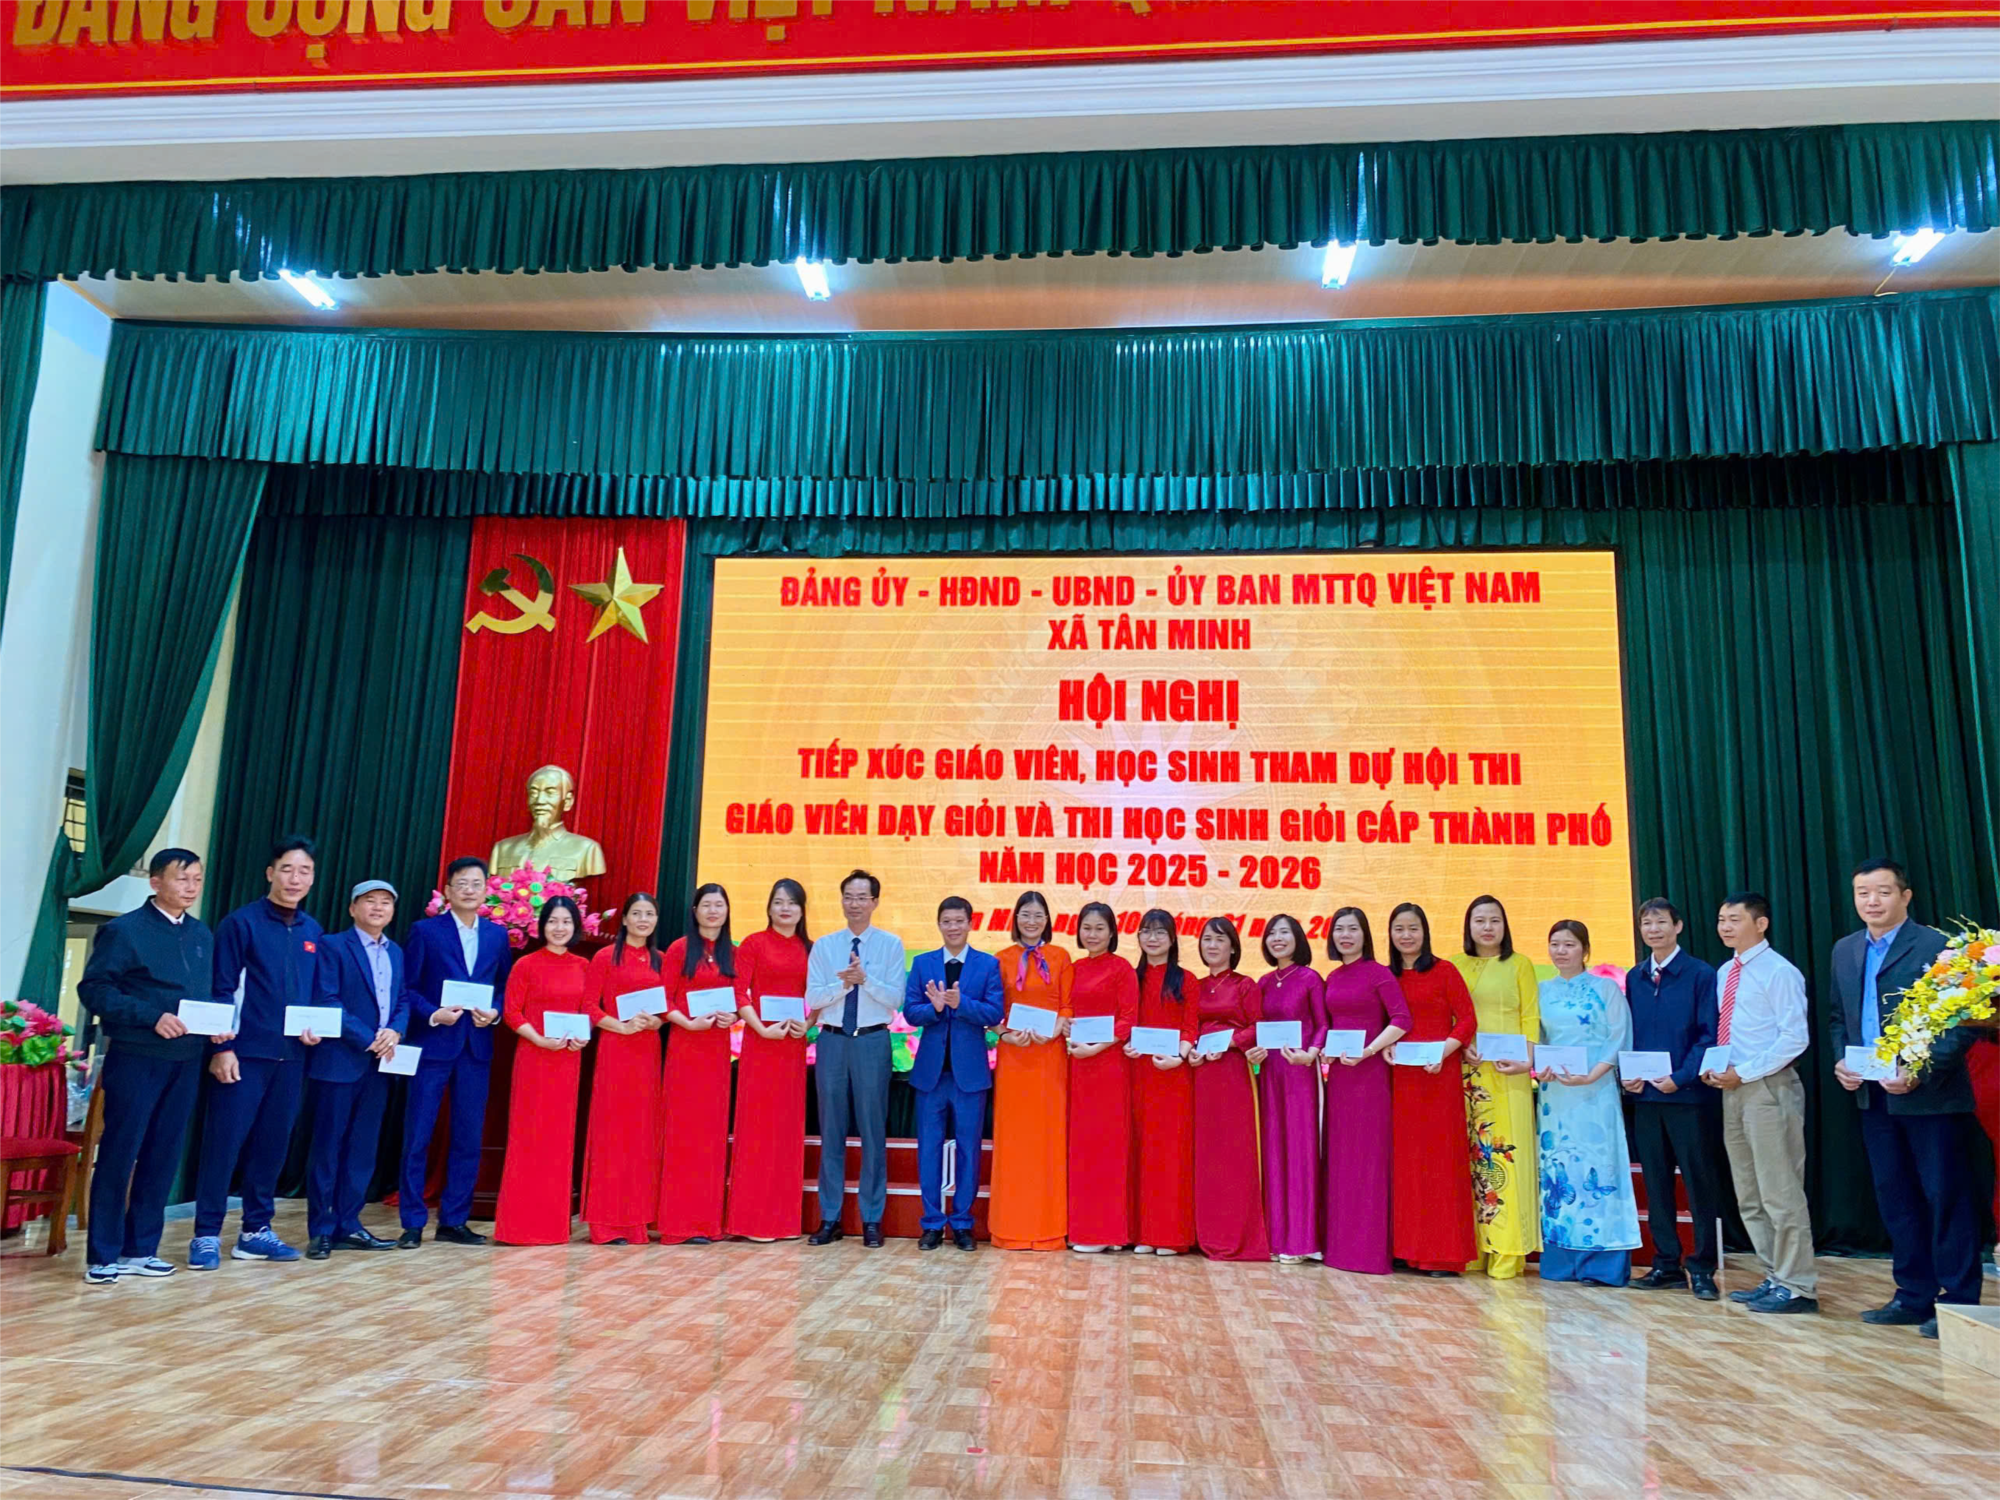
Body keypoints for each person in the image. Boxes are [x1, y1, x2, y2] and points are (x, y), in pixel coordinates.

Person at [1831, 858, 1974, 1339]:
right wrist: (1842, 1061)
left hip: (1932, 1098)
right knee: (1896, 1198)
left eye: (1883, 892)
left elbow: (1961, 1022)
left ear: (1906, 896)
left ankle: (1958, 1302)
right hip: (1873, 1097)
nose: (1871, 901)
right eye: (1862, 893)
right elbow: (1838, 1017)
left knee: (1945, 1196)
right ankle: (1912, 1294)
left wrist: (1920, 1070)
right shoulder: (1846, 949)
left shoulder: (1939, 946)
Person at [76, 849, 220, 1284]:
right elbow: (95, 989)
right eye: (182, 879)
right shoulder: (124, 930)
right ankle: (104, 1255)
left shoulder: (201, 933)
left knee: (163, 1154)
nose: (191, 887)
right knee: (121, 1151)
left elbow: (203, 994)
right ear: (155, 882)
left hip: (186, 1059)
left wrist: (216, 1026)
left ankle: (141, 1249)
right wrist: (151, 1016)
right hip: (137, 1056)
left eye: (197, 879)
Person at [190, 836, 324, 1269]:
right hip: (243, 1056)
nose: (295, 879)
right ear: (270, 873)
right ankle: (206, 1234)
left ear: (312, 879)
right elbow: (221, 989)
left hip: (292, 1059)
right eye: (287, 869)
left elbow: (315, 995)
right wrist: (223, 1047)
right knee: (223, 1144)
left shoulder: (313, 931)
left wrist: (316, 1031)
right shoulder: (240, 923)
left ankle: (255, 1231)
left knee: (272, 1146)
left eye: (304, 871)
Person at [1700, 892, 1817, 1314]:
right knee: (1749, 1194)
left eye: (1734, 919)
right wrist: (1717, 1068)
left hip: (1768, 1088)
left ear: (1761, 923)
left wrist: (1745, 1072)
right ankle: (1774, 1275)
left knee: (1780, 1190)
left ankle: (1798, 1285)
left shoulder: (1779, 971)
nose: (1725, 927)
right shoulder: (1724, 972)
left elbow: (1794, 1038)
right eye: (1721, 919)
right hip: (1733, 1089)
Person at [398, 855, 512, 1249]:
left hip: (475, 1047)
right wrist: (433, 1014)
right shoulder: (425, 931)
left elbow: (503, 986)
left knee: (468, 1136)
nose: (468, 890)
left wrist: (494, 1011)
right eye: (461, 883)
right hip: (432, 1045)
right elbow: (408, 988)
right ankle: (413, 1222)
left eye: (476, 883)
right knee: (418, 1135)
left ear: (486, 891)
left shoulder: (497, 936)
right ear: (447, 890)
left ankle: (454, 1220)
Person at [1621, 897, 1725, 1301]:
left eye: (1661, 922)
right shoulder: (1635, 976)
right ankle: (1666, 1264)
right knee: (1656, 1182)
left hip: (1688, 1097)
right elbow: (1629, 1035)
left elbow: (1708, 1034)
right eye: (1647, 923)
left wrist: (1680, 1078)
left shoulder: (1700, 974)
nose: (1654, 930)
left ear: (1678, 926)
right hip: (1646, 1100)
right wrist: (1629, 1076)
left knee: (1699, 1183)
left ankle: (1702, 1268)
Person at [304, 879, 409, 1259]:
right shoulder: (333, 945)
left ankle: (349, 1224)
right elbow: (328, 1000)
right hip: (339, 1061)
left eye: (385, 902)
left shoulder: (396, 952)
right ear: (352, 908)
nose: (378, 908)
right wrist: (369, 1038)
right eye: (369, 901)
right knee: (328, 1147)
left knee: (362, 1149)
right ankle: (321, 1230)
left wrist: (396, 1031)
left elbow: (402, 999)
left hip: (380, 1065)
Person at [1535, 920, 1642, 1286]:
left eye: (1569, 944)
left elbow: (1619, 1036)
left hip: (1596, 1092)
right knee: (1559, 1170)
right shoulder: (1541, 991)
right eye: (1555, 944)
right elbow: (1536, 1038)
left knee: (1599, 1169)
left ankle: (1602, 1264)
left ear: (1585, 949)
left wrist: (1593, 1075)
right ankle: (1562, 1262)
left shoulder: (1605, 989)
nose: (1561, 951)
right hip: (1556, 1095)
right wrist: (1539, 1067)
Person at [805, 870, 904, 1248]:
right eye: (849, 896)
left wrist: (866, 980)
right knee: (831, 1130)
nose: (855, 903)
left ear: (875, 902)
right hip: (832, 1041)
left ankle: (872, 1218)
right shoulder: (825, 946)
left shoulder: (890, 945)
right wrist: (844, 984)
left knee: (872, 1131)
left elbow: (894, 999)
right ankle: (830, 1217)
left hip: (872, 1041)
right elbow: (814, 998)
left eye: (863, 897)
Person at [903, 896, 1005, 1250]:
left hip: (970, 1075)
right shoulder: (922, 963)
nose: (953, 927)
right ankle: (932, 1223)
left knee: (968, 1151)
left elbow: (994, 1012)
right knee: (928, 1150)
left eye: (959, 921)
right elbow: (911, 1012)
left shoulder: (987, 965)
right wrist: (933, 1009)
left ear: (970, 924)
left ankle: (962, 1222)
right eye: (946, 921)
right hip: (931, 1075)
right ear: (939, 924)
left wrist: (963, 1004)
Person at [1451, 894, 1542, 1279]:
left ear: (1505, 926)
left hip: (1508, 1073)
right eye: (1479, 921)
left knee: (1506, 1156)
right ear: (1468, 927)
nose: (1487, 927)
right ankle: (1472, 1248)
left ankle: (1507, 1250)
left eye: (1494, 920)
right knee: (1468, 1158)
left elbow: (1530, 1015)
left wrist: (1527, 1059)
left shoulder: (1519, 964)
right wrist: (1459, 1046)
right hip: (1466, 1073)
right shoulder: (1454, 966)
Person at [1385, 902, 1477, 1276]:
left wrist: (1445, 1051)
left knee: (1440, 1162)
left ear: (1425, 932)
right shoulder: (1386, 977)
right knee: (1405, 1164)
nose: (1406, 936)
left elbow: (1467, 1019)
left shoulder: (1444, 970)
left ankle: (1442, 1253)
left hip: (1439, 1076)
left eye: (1413, 928)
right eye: (1399, 929)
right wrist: (1384, 1046)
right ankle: (1406, 1249)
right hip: (1400, 1080)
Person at [493, 896, 591, 1247]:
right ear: (542, 925)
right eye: (552, 921)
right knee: (528, 1137)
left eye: (566, 921)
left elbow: (588, 1009)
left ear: (575, 926)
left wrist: (582, 1037)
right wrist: (538, 1039)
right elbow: (511, 1011)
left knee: (558, 1141)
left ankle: (551, 1227)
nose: (559, 928)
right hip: (534, 1058)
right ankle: (517, 1227)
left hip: (568, 1060)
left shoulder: (584, 966)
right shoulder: (526, 964)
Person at [1321, 907, 1410, 1275]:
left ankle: (1368, 1252)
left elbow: (1402, 1019)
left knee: (1368, 1159)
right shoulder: (1331, 977)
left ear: (1365, 935)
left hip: (1370, 1077)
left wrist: (1370, 1050)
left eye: (1353, 929)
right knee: (1341, 1160)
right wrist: (1327, 1050)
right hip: (1340, 1078)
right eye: (1339, 929)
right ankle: (1340, 1249)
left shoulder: (1379, 973)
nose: (1346, 936)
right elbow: (1330, 1025)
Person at [725, 879, 813, 1242]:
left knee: (786, 1130)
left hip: (791, 1046)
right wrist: (760, 1028)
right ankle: (753, 1221)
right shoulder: (754, 943)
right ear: (769, 907)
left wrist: (808, 1023)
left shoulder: (810, 949)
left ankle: (784, 1221)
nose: (785, 908)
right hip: (762, 1045)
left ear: (802, 910)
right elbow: (738, 992)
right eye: (778, 902)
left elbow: (819, 996)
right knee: (758, 1129)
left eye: (792, 903)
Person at [989, 890, 1074, 1251]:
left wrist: (1053, 1032)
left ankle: (1048, 1227)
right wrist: (1005, 1033)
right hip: (1015, 1057)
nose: (1032, 921)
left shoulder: (1060, 957)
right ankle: (1010, 1227)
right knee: (1014, 1140)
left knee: (1047, 1139)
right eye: (1025, 914)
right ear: (1016, 919)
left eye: (1038, 915)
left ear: (1047, 920)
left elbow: (1068, 1005)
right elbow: (992, 1010)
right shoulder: (1001, 959)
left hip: (1049, 1056)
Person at [581, 893, 667, 1244]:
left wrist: (658, 1021)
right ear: (626, 919)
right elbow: (588, 1005)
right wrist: (620, 1026)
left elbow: (668, 1006)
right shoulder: (605, 957)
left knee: (642, 1133)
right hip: (615, 1050)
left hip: (648, 1052)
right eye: (636, 913)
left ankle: (637, 1220)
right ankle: (605, 1223)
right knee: (611, 1132)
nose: (643, 919)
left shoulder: (662, 960)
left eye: (650, 914)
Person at [656, 883, 738, 1244]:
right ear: (695, 911)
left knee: (711, 1135)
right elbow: (664, 999)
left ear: (727, 911)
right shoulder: (678, 949)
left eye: (719, 905)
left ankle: (707, 1222)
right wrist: (688, 1023)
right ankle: (677, 1224)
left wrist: (733, 1015)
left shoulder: (733, 953)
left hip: (717, 1051)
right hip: (685, 1049)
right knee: (682, 1133)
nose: (713, 911)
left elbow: (740, 999)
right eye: (707, 905)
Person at [1189, 917, 1270, 1262]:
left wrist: (1230, 1043)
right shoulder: (1194, 986)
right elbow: (1187, 1027)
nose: (1212, 945)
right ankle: (1204, 1232)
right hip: (1201, 1075)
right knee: (1205, 1153)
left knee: (1234, 1152)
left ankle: (1237, 1234)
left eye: (1220, 939)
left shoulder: (1244, 985)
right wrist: (1191, 1049)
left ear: (1233, 947)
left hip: (1233, 1073)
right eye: (1207, 939)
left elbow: (1259, 1026)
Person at [1065, 902, 1138, 1253]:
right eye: (1087, 928)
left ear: (1112, 933)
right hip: (1078, 1065)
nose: (1092, 934)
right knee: (1082, 1147)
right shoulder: (1073, 969)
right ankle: (1085, 1228)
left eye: (1099, 928)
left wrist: (1096, 1047)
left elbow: (1129, 1019)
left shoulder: (1122, 969)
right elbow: (1065, 1011)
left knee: (1108, 1146)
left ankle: (1109, 1232)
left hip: (1109, 1065)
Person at [1127, 908, 1198, 1255]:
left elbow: (1190, 1025)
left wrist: (1179, 1057)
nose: (1152, 938)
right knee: (1140, 1151)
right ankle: (1143, 1233)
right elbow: (1124, 1021)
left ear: (1172, 939)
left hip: (1172, 1075)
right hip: (1137, 1073)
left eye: (1159, 932)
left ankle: (1171, 1235)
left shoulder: (1186, 980)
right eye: (1146, 932)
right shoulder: (1131, 978)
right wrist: (1124, 1041)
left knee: (1170, 1153)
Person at [1255, 914, 1325, 1264]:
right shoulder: (1264, 982)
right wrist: (1254, 1051)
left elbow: (1323, 1023)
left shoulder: (1310, 978)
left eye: (1284, 932)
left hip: (1299, 1072)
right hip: (1268, 1072)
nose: (1277, 938)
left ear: (1298, 937)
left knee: (1300, 1150)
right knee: (1272, 1150)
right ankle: (1276, 1236)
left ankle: (1303, 1241)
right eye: (1272, 933)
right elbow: (1256, 1027)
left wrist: (1311, 1053)